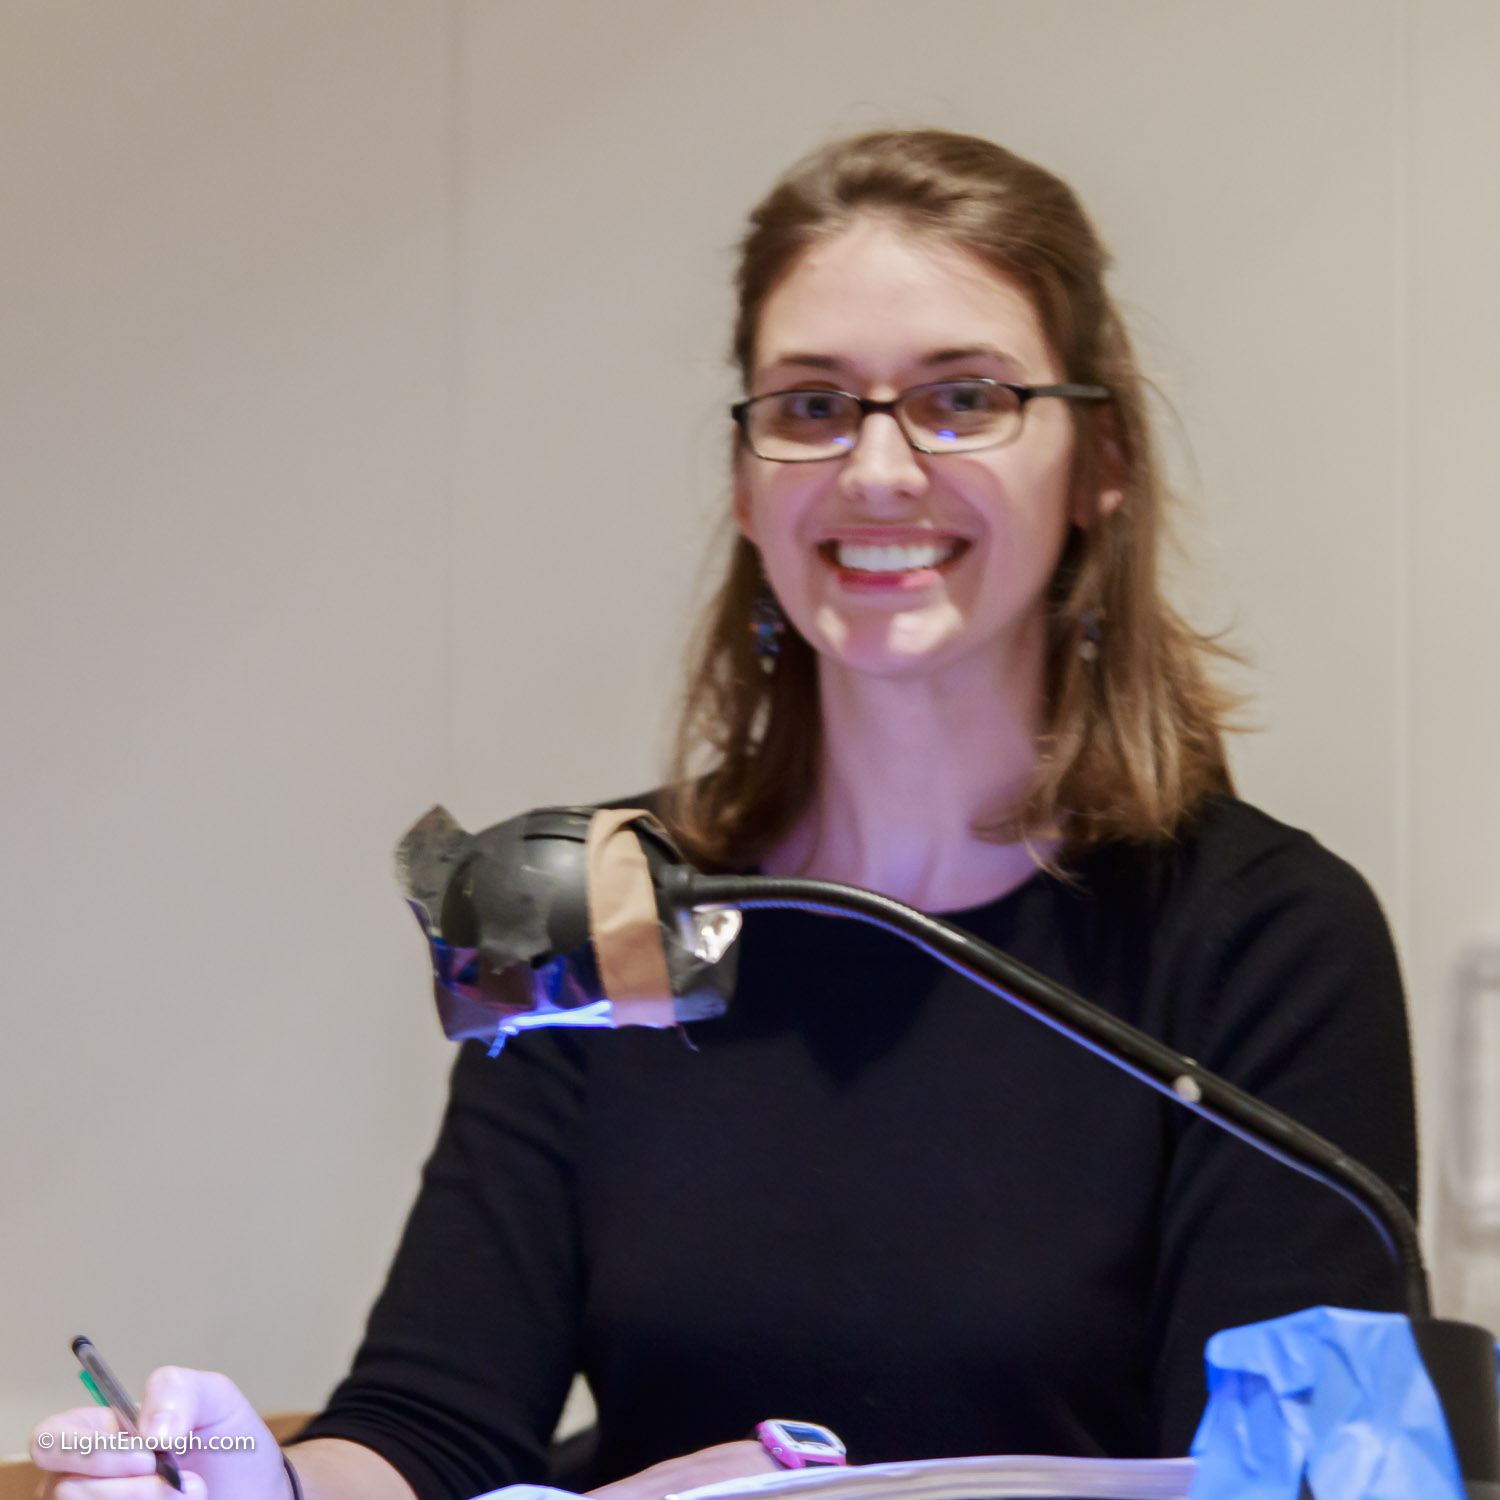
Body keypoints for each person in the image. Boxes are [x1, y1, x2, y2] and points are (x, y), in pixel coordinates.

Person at [31, 129, 1417, 1500]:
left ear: (1099, 462)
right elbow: (434, 1425)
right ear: (748, 478)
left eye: (963, 398)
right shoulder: (591, 898)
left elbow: (1276, 1480)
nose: (877, 471)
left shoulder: (1266, 937)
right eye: (812, 406)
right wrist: (251, 1489)